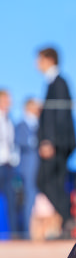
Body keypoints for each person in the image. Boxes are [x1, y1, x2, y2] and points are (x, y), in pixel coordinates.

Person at [36, 47, 76, 238]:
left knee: (44, 180)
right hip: (57, 144)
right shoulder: (53, 82)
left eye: (39, 59)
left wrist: (49, 142)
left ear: (49, 60)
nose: (36, 63)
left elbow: (60, 115)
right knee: (56, 182)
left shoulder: (59, 82)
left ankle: (67, 218)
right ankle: (66, 222)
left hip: (56, 145)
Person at [14, 98, 42, 238]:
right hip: (28, 167)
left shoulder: (40, 124)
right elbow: (20, 141)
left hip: (40, 167)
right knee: (28, 199)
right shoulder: (21, 125)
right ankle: (26, 232)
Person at [0, 89, 19, 237]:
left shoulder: (9, 120)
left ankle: (13, 235)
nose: (9, 103)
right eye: (6, 99)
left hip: (8, 166)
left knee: (12, 200)